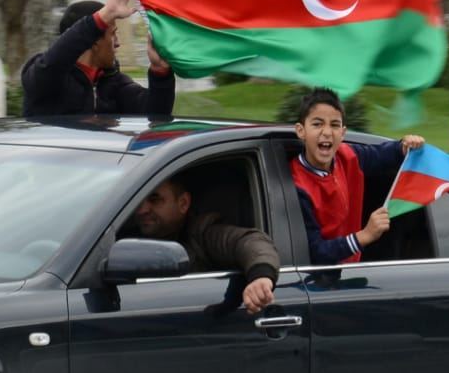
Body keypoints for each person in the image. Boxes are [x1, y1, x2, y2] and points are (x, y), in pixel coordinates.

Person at [291, 88, 424, 265]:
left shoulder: (348, 156)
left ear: (343, 133)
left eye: (335, 125)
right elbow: (316, 251)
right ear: (301, 131)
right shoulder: (297, 184)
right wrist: (365, 235)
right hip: (319, 280)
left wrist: (404, 146)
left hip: (350, 270)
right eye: (317, 124)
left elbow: (381, 155)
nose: (327, 132)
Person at [22, 0, 175, 117]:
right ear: (93, 40)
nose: (118, 43)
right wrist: (106, 14)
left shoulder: (112, 81)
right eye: (113, 34)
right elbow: (55, 59)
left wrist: (160, 71)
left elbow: (155, 116)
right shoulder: (44, 77)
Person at [133, 177, 278, 315]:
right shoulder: (118, 233)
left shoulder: (202, 234)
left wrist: (261, 276)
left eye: (155, 199)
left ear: (183, 203)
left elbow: (250, 241)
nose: (142, 210)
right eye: (138, 200)